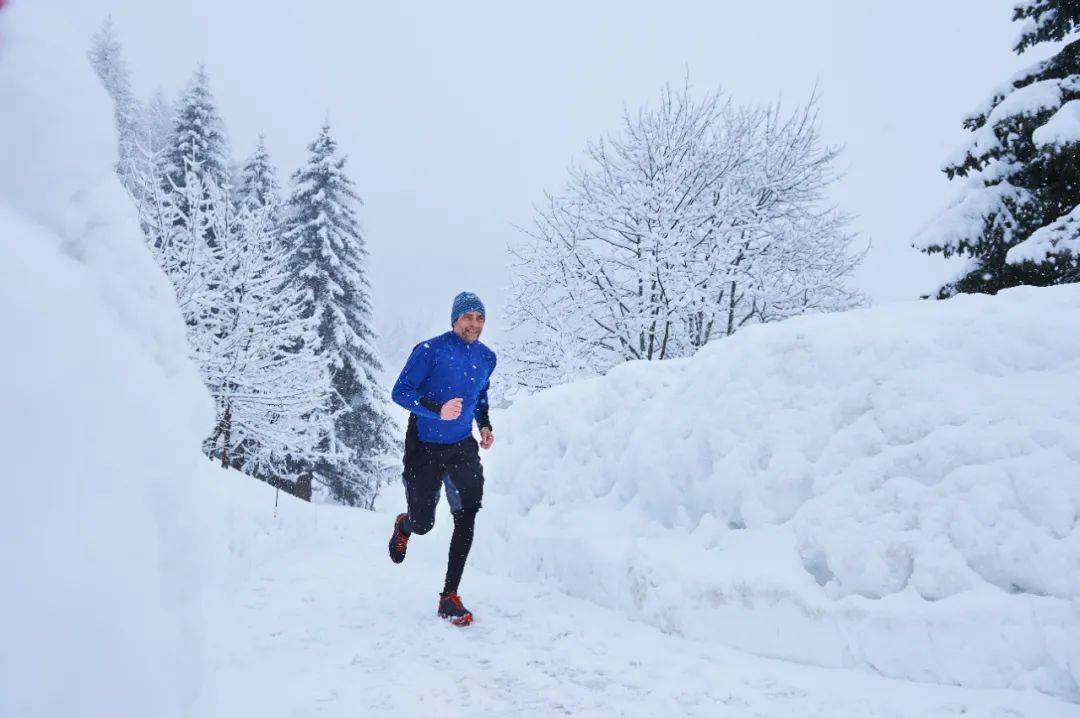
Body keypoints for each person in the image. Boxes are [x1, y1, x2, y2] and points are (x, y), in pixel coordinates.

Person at [388, 291, 496, 626]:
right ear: (454, 320)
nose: (474, 325)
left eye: (479, 318)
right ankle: (405, 525)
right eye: (468, 318)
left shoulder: (487, 357)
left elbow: (479, 394)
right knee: (424, 524)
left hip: (462, 444)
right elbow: (400, 391)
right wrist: (436, 410)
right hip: (424, 444)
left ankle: (449, 596)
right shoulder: (429, 351)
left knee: (468, 512)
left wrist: (485, 423)